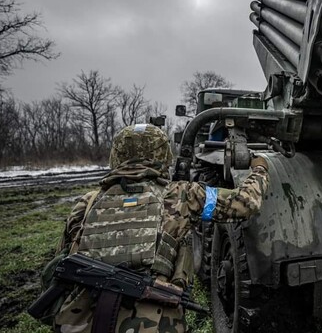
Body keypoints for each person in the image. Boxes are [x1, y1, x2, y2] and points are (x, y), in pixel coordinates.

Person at [50, 123, 269, 333]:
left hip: (78, 324)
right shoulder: (182, 196)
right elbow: (245, 203)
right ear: (163, 156)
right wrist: (259, 168)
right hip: (154, 324)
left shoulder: (86, 203)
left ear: (116, 156)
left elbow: (59, 264)